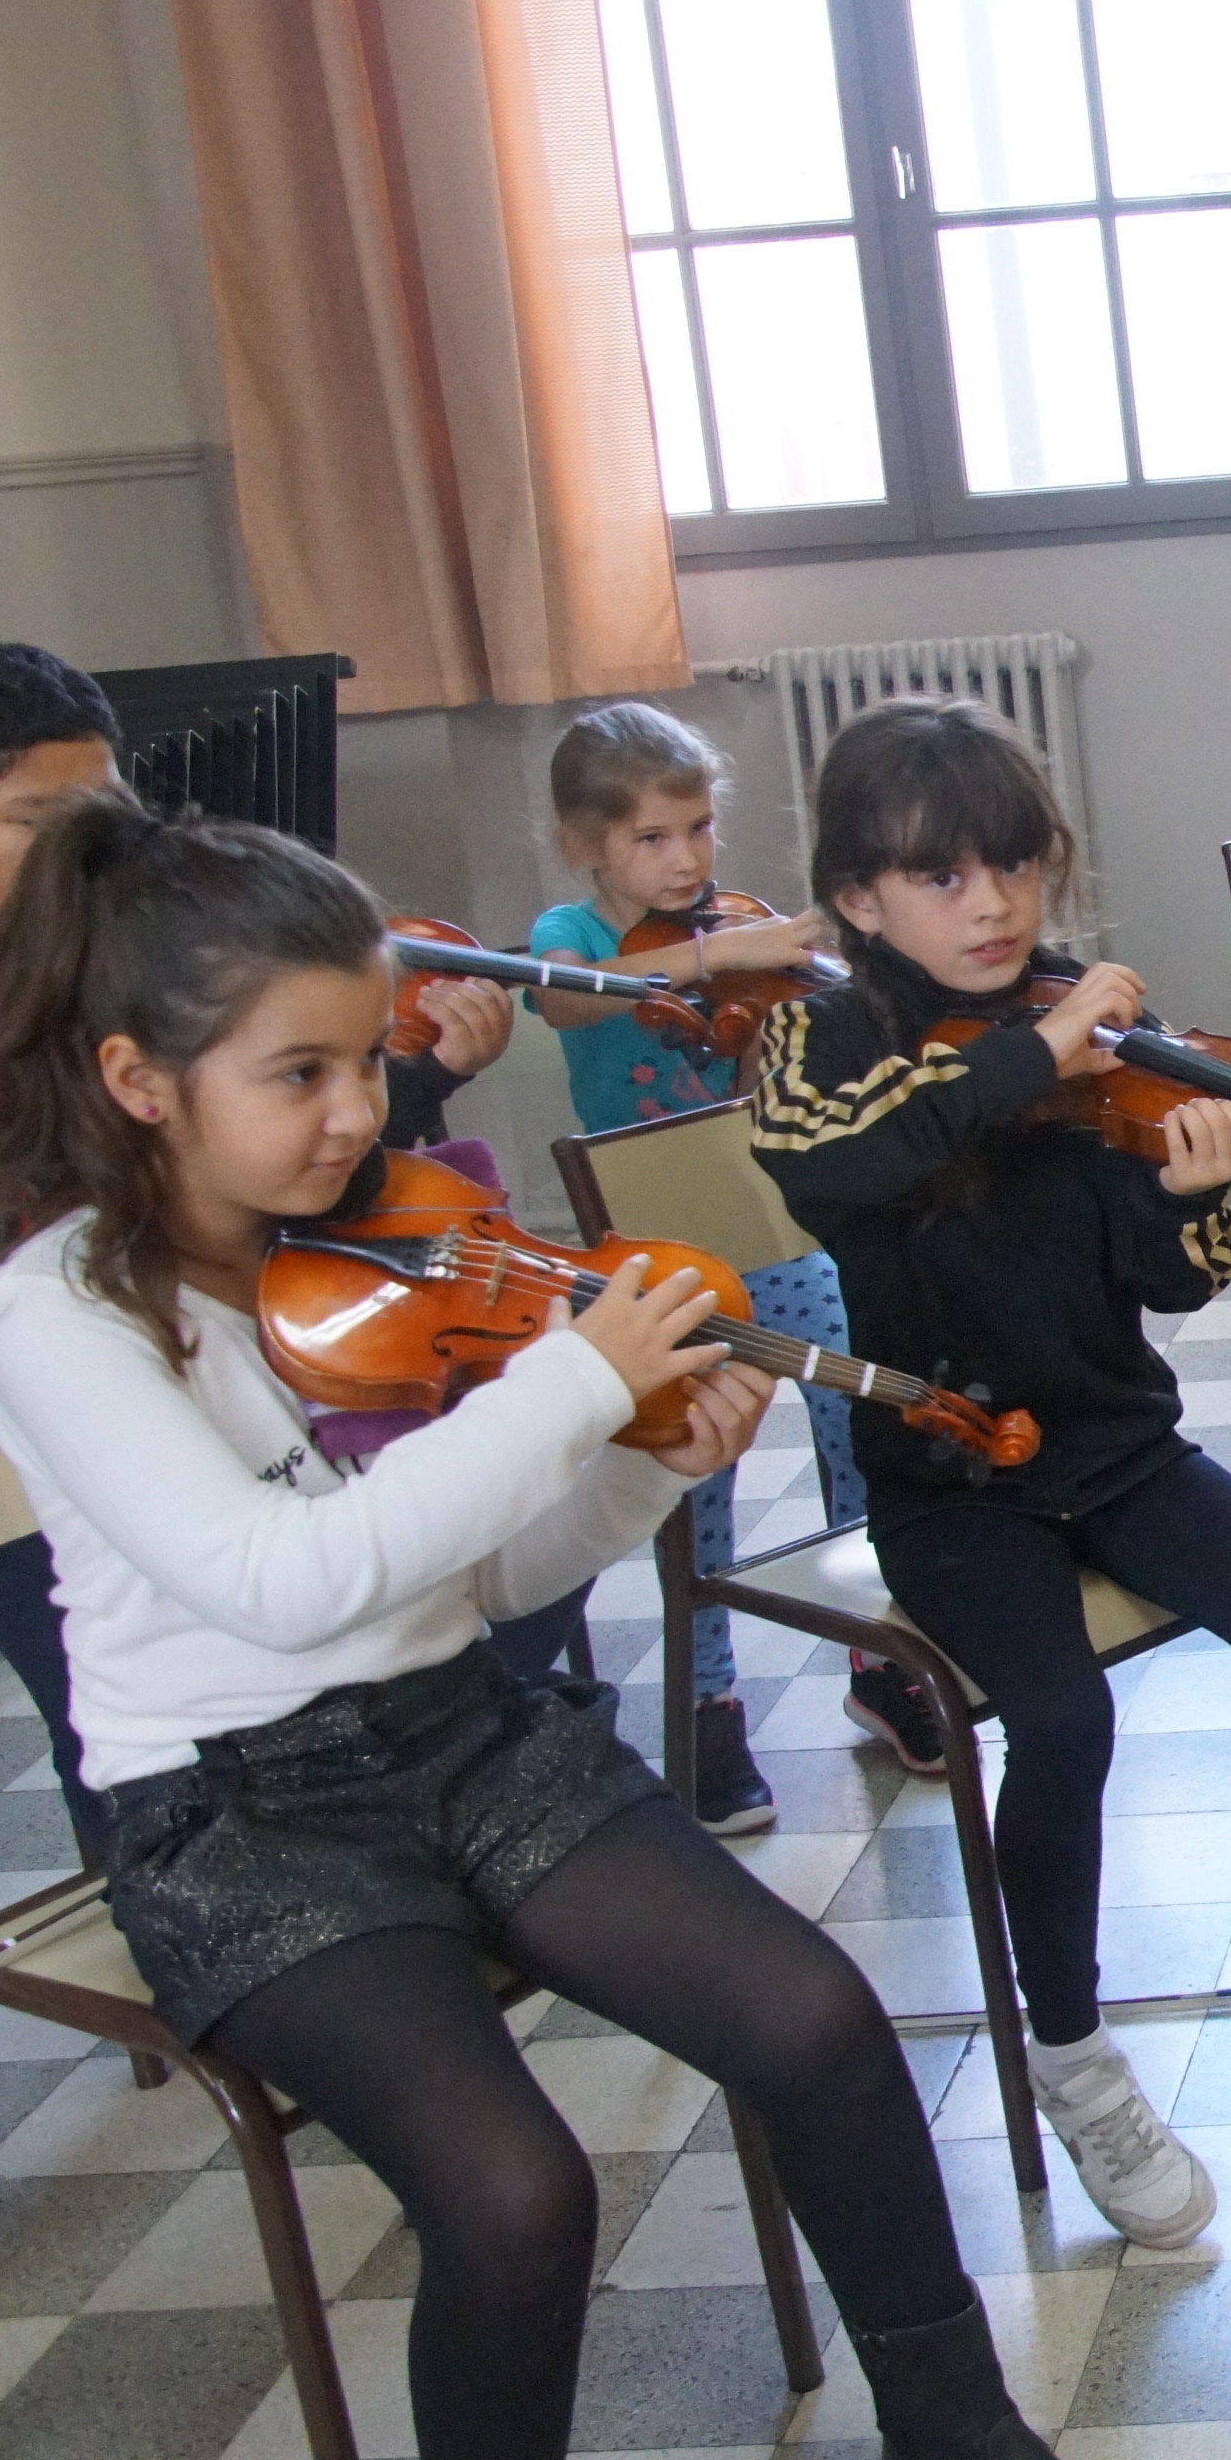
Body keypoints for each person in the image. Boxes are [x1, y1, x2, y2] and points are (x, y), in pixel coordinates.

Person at [0, 800, 1192, 2460]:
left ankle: (958, 2453)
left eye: (367, 1061)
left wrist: (637, 1468)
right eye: (298, 1074)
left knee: (819, 2019)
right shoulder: (54, 1311)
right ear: (137, 1077)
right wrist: (561, 1383)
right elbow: (289, 1586)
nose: (360, 1114)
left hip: (461, 1725)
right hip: (238, 1810)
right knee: (516, 2190)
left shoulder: (368, 1242)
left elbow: (477, 1582)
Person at [748, 697, 1231, 2234]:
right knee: (1056, 1724)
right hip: (947, 1473)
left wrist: (1200, 1188)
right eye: (942, 877)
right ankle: (1073, 2060)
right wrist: (1034, 1053)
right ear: (859, 899)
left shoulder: (1087, 1031)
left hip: (1115, 1446)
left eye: (1014, 865)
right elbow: (842, 1172)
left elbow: (1169, 1287)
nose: (994, 903)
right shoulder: (817, 1039)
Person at [0, 644, 516, 1861]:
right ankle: (236, 1927)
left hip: (255, 1349)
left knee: (464, 1575)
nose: (88, 848)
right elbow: (78, 1196)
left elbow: (258, 1147)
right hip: (21, 1435)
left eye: (106, 810)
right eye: (37, 820)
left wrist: (394, 1080)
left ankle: (423, 1856)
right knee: (200, 1739)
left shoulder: (138, 965)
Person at [524, 704, 875, 1835]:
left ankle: (881, 1660)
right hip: (657, 1254)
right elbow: (566, 999)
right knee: (699, 1463)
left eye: (699, 829)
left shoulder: (746, 924)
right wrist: (718, 953)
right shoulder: (570, 934)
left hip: (774, 1224)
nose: (685, 860)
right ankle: (710, 1696)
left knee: (855, 1415)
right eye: (652, 839)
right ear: (587, 843)